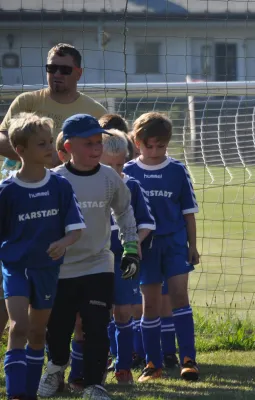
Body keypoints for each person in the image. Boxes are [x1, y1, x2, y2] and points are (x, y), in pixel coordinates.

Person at [38, 114, 139, 400]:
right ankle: (56, 367)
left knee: (96, 324)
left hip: (98, 265)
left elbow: (125, 212)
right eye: (88, 143)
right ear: (68, 146)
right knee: (58, 326)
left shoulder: (110, 177)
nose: (96, 149)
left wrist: (130, 248)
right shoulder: (55, 180)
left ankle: (95, 384)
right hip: (61, 268)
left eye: (98, 142)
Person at [0, 113, 85, 400]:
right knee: (19, 326)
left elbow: (76, 229)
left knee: (38, 333)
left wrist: (63, 242)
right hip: (16, 268)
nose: (51, 148)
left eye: (50, 142)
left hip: (47, 270)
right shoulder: (7, 191)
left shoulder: (60, 186)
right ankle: (15, 394)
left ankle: (31, 391)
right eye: (42, 144)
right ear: (20, 150)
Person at [123, 112, 200, 382]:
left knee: (180, 296)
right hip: (145, 248)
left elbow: (189, 212)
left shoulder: (177, 170)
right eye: (148, 145)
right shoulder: (128, 172)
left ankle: (188, 359)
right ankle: (152, 364)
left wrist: (193, 245)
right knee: (150, 305)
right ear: (136, 142)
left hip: (175, 244)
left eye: (161, 145)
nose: (155, 151)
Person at [102, 130, 155, 384]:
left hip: (125, 259)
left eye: (120, 164)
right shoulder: (91, 186)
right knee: (98, 314)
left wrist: (134, 242)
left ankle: (123, 367)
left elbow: (146, 223)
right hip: (94, 260)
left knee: (123, 313)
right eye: (108, 164)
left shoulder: (132, 185)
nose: (115, 170)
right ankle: (100, 363)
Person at [0, 43, 107, 169]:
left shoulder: (96, 112)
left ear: (79, 74)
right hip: (25, 182)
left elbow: (108, 152)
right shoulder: (26, 102)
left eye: (65, 70)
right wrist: (45, 157)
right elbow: (2, 141)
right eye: (51, 68)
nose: (57, 74)